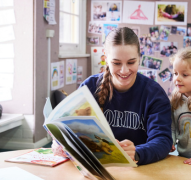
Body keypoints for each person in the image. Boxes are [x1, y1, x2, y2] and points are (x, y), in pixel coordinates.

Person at [53, 27, 172, 165]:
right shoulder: (90, 87)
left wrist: (138, 152)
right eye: (116, 63)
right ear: (106, 57)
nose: (124, 70)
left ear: (140, 57)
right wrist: (61, 143)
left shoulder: (154, 94)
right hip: (96, 168)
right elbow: (69, 127)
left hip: (139, 170)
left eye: (131, 62)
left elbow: (163, 140)